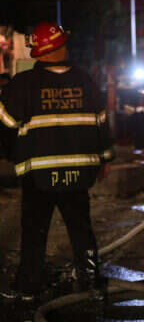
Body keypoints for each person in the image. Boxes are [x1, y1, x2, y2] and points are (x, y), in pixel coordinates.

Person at [0, 22, 114, 303]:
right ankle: (89, 280)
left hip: (38, 174)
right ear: (61, 46)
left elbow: (6, 125)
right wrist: (105, 160)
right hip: (79, 172)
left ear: (38, 51)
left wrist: (11, 154)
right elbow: (102, 124)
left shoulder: (23, 84)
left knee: (35, 230)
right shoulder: (86, 81)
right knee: (81, 227)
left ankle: (29, 286)